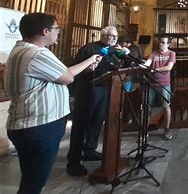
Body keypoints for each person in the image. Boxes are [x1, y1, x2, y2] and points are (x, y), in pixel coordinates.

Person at [4, 13, 101, 193]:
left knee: (30, 179)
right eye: (57, 29)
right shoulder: (36, 53)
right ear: (45, 31)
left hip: (28, 125)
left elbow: (62, 73)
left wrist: (85, 65)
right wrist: (90, 60)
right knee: (34, 184)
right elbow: (67, 77)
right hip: (40, 126)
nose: (58, 33)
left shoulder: (20, 49)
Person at [66, 26, 124, 176]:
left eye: (116, 36)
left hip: (106, 89)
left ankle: (90, 150)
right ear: (103, 36)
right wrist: (87, 69)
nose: (114, 39)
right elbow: (75, 69)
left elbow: (118, 66)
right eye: (111, 36)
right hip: (88, 90)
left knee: (97, 122)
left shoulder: (114, 50)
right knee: (81, 124)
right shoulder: (90, 48)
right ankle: (73, 160)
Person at [144, 36, 176, 140]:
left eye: (163, 42)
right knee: (147, 107)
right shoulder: (154, 53)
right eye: (160, 42)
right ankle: (145, 130)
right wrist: (144, 66)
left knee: (166, 106)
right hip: (152, 84)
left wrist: (154, 69)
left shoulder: (171, 54)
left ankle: (167, 129)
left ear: (168, 44)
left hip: (164, 84)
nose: (160, 44)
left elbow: (169, 68)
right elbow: (147, 63)